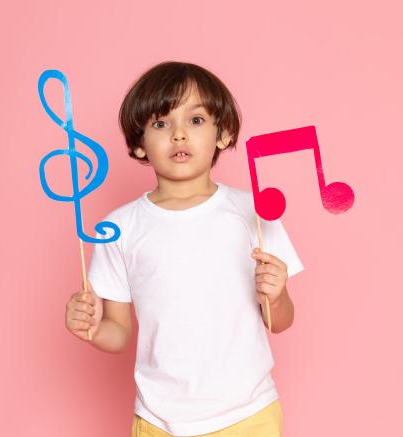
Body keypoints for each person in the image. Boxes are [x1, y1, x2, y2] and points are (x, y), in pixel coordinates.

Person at [65, 61, 305, 437]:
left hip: (248, 414)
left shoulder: (253, 213)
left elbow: (282, 321)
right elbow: (118, 333)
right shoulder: (119, 228)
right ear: (138, 143)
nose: (179, 135)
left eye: (195, 121)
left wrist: (275, 296)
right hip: (159, 420)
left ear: (222, 134)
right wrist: (91, 328)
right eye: (161, 124)